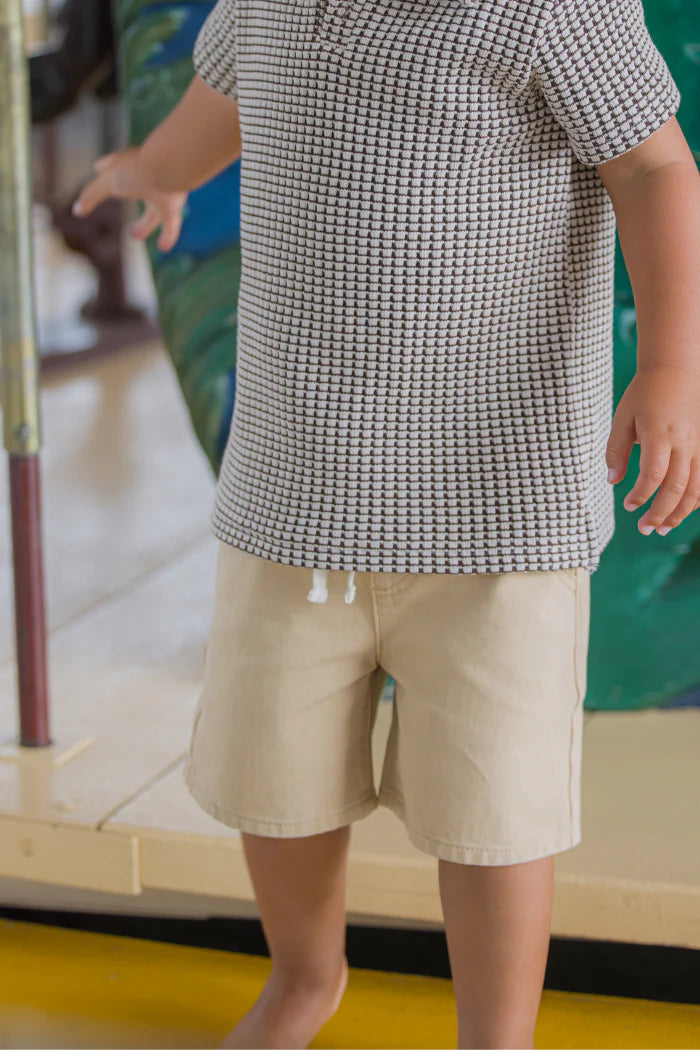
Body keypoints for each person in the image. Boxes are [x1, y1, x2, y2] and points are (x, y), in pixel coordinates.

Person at [73, 0, 700, 1045]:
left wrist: (673, 366)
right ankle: (305, 979)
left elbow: (650, 167)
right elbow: (225, 90)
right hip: (297, 497)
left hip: (499, 510)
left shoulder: (548, 10)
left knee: (498, 812)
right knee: (275, 780)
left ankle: (493, 1037)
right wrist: (159, 169)